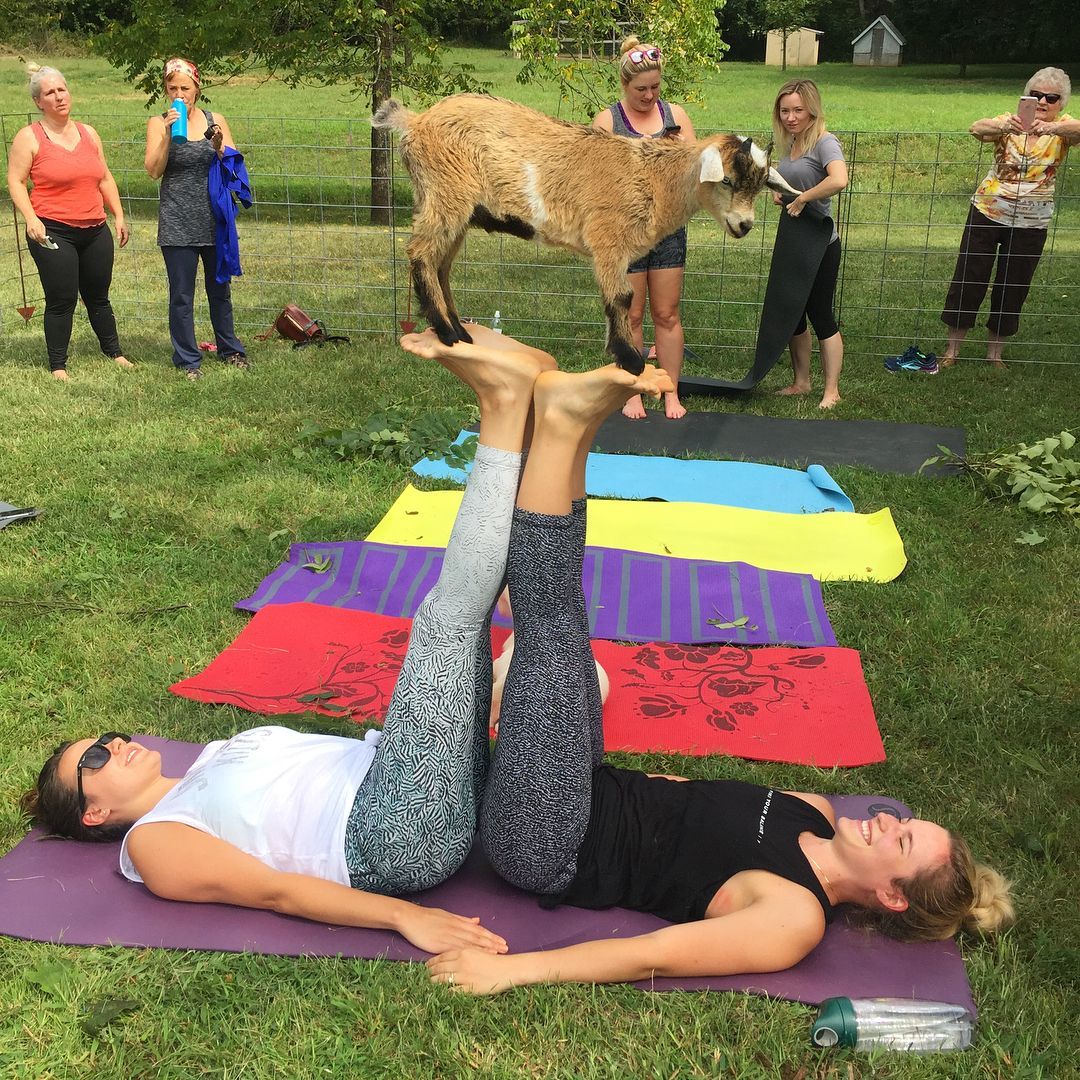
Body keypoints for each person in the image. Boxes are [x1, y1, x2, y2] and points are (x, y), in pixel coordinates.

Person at [940, 68, 1079, 368]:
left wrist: (1053, 129)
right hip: (988, 212)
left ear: (1061, 103)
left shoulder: (1063, 129)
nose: (1042, 102)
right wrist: (1004, 126)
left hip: (1032, 223)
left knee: (1013, 284)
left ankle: (995, 354)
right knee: (969, 276)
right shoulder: (1010, 121)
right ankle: (952, 351)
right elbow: (976, 129)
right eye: (1036, 95)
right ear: (1026, 97)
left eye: (1051, 98)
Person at [6, 65, 132, 382]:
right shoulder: (29, 137)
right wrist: (31, 218)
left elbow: (104, 178)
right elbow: (16, 181)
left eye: (62, 89)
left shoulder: (89, 133)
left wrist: (118, 215)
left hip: (95, 229)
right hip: (52, 230)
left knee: (98, 296)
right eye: (50, 93)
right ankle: (58, 365)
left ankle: (115, 353)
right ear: (38, 102)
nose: (59, 96)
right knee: (62, 299)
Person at [593, 38, 695, 420]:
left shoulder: (675, 115)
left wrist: (680, 151)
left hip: (667, 231)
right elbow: (595, 183)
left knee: (667, 315)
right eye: (641, 89)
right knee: (631, 316)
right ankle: (632, 391)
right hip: (625, 234)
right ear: (625, 85)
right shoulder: (608, 122)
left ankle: (670, 392)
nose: (649, 95)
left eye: (655, 87)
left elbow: (697, 175)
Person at [145, 57, 247, 381]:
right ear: (166, 90)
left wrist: (219, 146)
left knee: (220, 290)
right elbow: (153, 171)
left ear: (197, 89)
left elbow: (233, 166)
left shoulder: (216, 119)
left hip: (214, 219)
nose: (179, 94)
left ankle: (230, 350)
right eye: (173, 88)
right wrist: (166, 135)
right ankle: (188, 360)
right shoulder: (157, 122)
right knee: (181, 296)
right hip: (177, 221)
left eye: (185, 88)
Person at [768, 80, 848, 409]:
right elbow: (796, 181)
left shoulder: (825, 142)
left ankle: (832, 391)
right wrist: (783, 193)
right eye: (785, 111)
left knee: (820, 314)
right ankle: (801, 382)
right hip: (794, 240)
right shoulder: (793, 142)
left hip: (820, 243)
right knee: (793, 313)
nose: (791, 117)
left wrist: (803, 198)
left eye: (798, 110)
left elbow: (838, 179)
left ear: (812, 110)